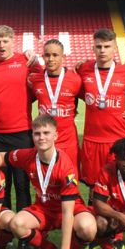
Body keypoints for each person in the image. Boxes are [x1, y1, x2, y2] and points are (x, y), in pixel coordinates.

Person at [0, 115, 97, 249]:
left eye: (46, 133)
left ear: (55, 136)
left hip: (70, 209)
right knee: (16, 224)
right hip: (44, 209)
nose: (41, 137)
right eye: (37, 133)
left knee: (88, 228)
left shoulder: (66, 167)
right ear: (32, 136)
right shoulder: (28, 156)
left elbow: (67, 213)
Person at [77, 29, 125, 249]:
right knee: (93, 190)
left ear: (114, 48)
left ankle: (117, 237)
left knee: (117, 190)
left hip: (117, 140)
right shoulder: (83, 70)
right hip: (92, 141)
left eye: (107, 46)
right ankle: (96, 237)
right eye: (98, 46)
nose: (102, 51)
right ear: (93, 47)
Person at [0, 25, 38, 225]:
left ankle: (24, 234)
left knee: (22, 185)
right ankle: (4, 236)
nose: (1, 45)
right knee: (0, 186)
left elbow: (47, 79)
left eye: (5, 41)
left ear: (13, 42)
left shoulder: (26, 61)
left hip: (22, 133)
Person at [27, 39, 82, 168]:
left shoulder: (75, 79)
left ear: (63, 57)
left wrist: (123, 110)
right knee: (44, 181)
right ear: (43, 56)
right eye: (47, 55)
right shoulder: (35, 79)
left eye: (55, 55)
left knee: (70, 182)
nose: (50, 59)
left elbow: (94, 98)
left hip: (68, 141)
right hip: (44, 141)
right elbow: (23, 99)